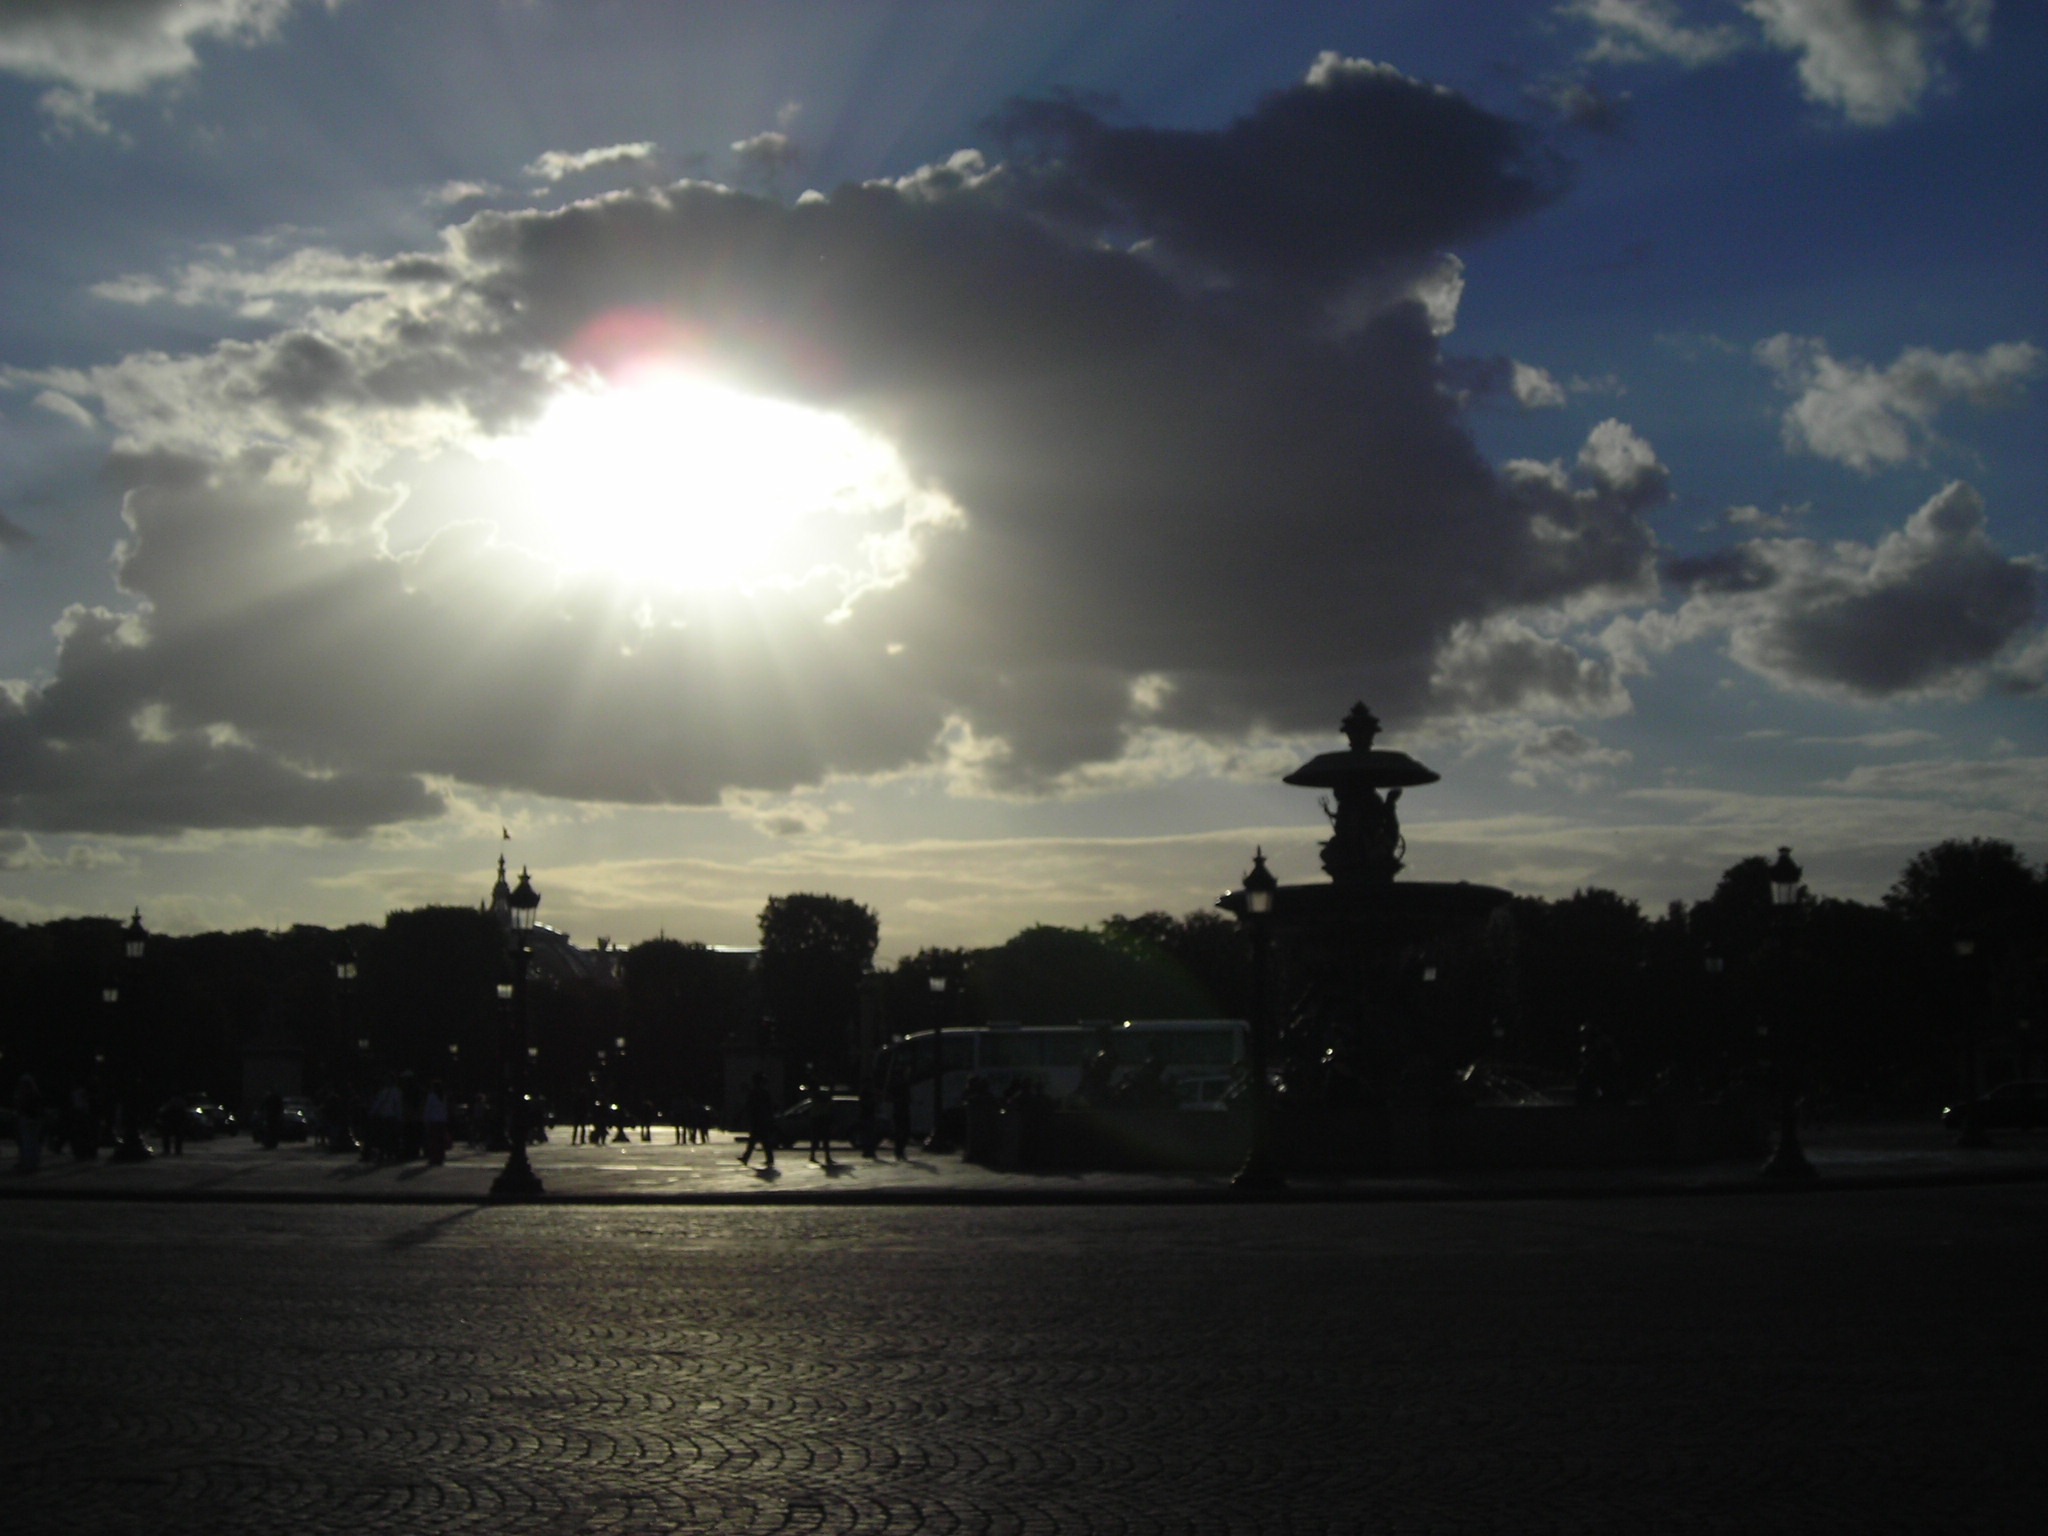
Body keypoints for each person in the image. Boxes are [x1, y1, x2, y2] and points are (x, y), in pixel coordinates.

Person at [738, 1072, 777, 1169]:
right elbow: (769, 1107)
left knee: (755, 1140)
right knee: (763, 1140)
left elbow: (750, 1106)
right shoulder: (764, 1093)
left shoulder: (755, 1093)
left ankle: (747, 1157)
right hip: (762, 1119)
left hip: (757, 1119)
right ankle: (769, 1159)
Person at [13, 1073, 44, 1173]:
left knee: (27, 1143)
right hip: (35, 1120)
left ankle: (28, 1164)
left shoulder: (24, 1093)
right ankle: (32, 1163)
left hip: (27, 1119)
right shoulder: (35, 1093)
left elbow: (21, 1106)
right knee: (32, 1142)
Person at [807, 1083, 836, 1169]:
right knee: (823, 1139)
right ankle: (825, 1157)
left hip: (817, 1118)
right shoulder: (819, 1095)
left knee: (817, 1139)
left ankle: (814, 1156)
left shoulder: (816, 1096)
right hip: (820, 1118)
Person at [422, 1082, 450, 1166]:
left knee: (433, 1140)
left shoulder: (431, 1097)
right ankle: (440, 1157)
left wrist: (426, 1119)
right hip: (442, 1120)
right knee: (440, 1140)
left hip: (434, 1120)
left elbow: (428, 1109)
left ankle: (434, 1158)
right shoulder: (443, 1097)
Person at [889, 1070, 912, 1161]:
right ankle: (900, 1151)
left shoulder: (897, 1086)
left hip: (899, 1111)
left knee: (900, 1132)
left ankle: (899, 1151)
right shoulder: (903, 1086)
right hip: (902, 1111)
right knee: (903, 1132)